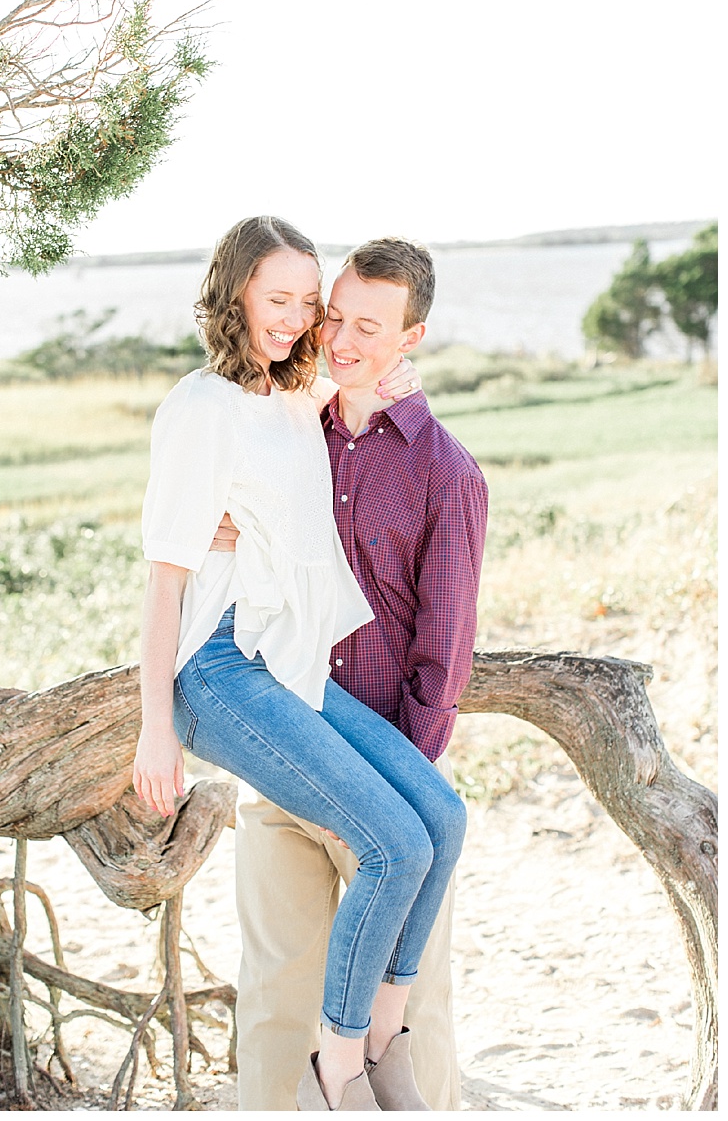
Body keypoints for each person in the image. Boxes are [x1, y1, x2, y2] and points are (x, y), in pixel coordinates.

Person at [132, 215, 466, 1111]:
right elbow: (164, 580)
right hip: (216, 668)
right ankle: (341, 1065)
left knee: (441, 814)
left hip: (281, 662)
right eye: (277, 298)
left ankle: (385, 1030)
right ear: (234, 290)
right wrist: (152, 730)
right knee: (393, 846)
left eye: (308, 305)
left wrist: (387, 368)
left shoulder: (294, 400)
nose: (297, 319)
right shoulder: (199, 406)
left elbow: (373, 379)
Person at [225, 238, 487, 1110]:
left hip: (386, 785)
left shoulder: (444, 472)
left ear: (411, 337)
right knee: (271, 1000)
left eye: (367, 326)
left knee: (412, 1017)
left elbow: (442, 658)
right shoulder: (290, 428)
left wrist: (390, 782)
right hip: (279, 761)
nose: (338, 337)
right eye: (332, 316)